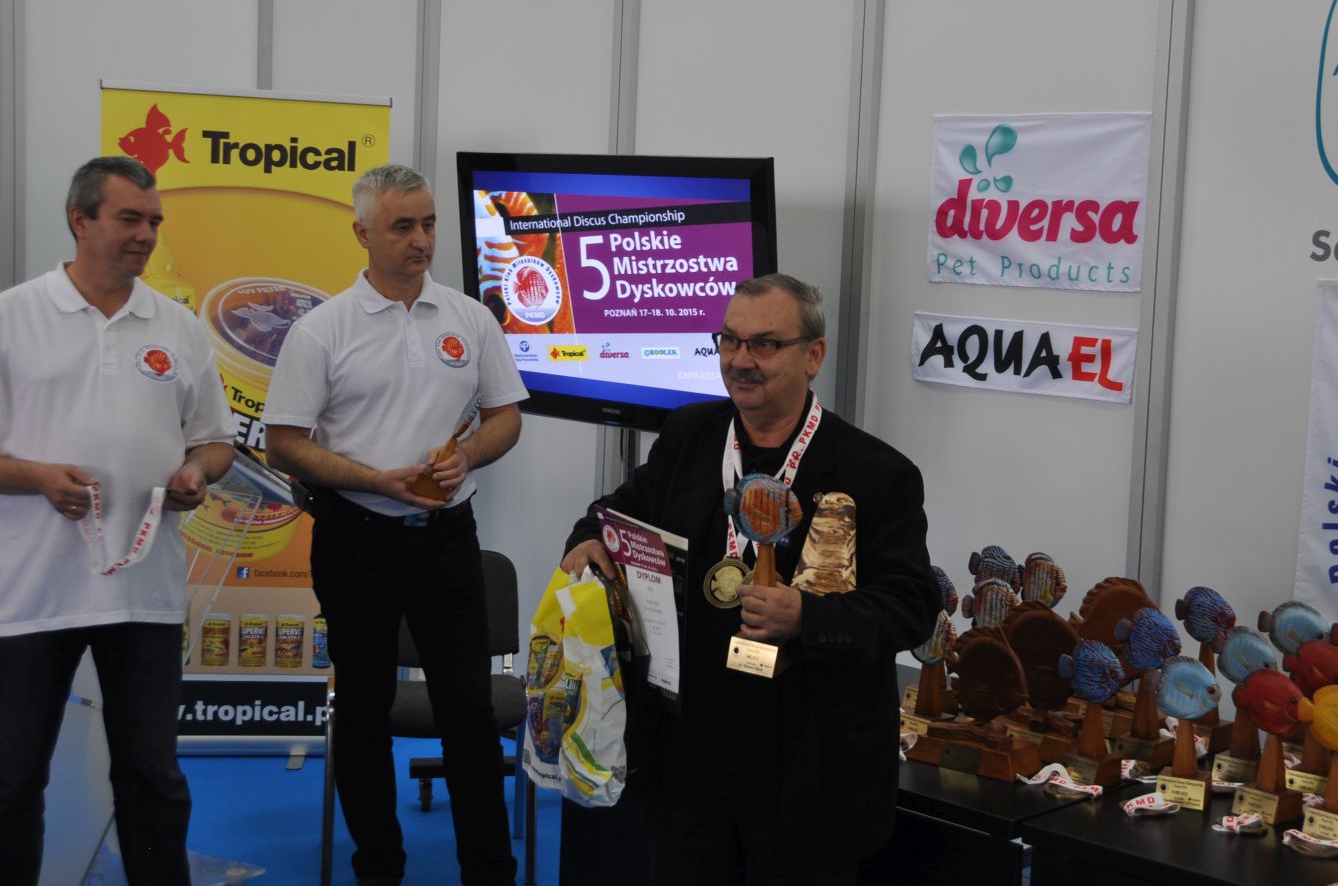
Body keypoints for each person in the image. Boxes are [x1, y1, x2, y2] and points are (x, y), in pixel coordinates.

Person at [562, 273, 941, 886]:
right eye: (730, 340)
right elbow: (617, 510)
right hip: (689, 761)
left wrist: (807, 617)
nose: (740, 360)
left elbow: (912, 606)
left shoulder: (877, 473)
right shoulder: (690, 434)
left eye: (765, 344)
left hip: (805, 772)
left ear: (813, 355)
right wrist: (586, 538)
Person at [263, 164, 526, 886]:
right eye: (403, 226)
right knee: (363, 710)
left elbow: (506, 416)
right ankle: (378, 867)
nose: (422, 239)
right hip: (357, 538)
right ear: (362, 233)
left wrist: (469, 453)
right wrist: (371, 478)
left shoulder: (470, 318)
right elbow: (283, 442)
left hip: (448, 540)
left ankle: (490, 872)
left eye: (429, 223)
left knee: (469, 710)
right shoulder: (321, 330)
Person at [0, 156, 235, 886]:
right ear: (80, 219)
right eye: (129, 218)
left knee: (152, 777)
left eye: (154, 221)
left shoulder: (178, 326)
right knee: (11, 777)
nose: (145, 235)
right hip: (30, 594)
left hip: (145, 594)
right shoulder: (12, 316)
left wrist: (197, 471)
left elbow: (216, 440)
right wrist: (37, 478)